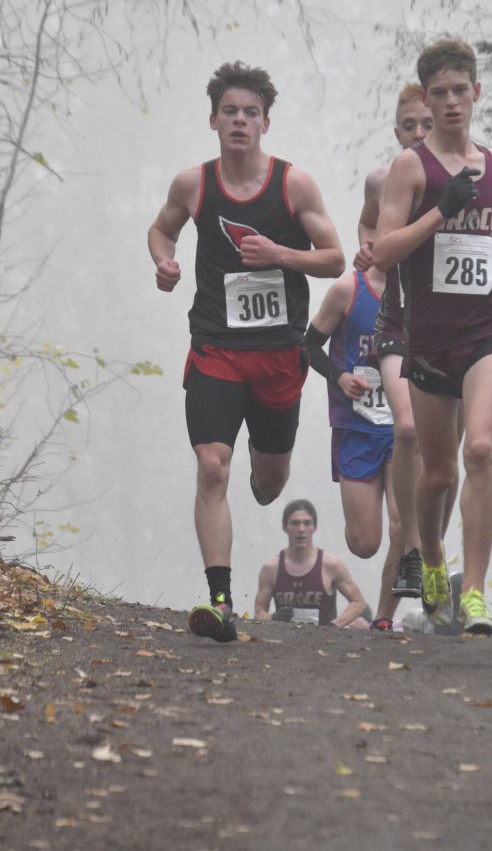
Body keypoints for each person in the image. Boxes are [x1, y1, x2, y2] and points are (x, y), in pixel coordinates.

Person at [148, 61, 344, 642]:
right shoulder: (194, 183)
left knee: (267, 483)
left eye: (250, 112)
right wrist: (163, 260)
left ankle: (267, 471)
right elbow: (162, 229)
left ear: (265, 122)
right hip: (216, 347)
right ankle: (219, 600)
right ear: (213, 119)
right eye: (230, 111)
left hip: (280, 353)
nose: (239, 120)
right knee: (212, 467)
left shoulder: (293, 184)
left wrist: (281, 254)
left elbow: (334, 259)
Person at [372, 39, 492, 634]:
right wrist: (440, 210)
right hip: (429, 336)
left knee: (481, 448)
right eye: (439, 93)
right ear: (426, 97)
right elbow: (384, 249)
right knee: (439, 472)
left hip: (490, 324)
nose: (451, 102)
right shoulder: (410, 167)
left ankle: (474, 593)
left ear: (478, 93)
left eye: (460, 90)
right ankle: (435, 561)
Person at [354, 84, 461, 604]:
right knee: (410, 428)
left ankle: (436, 548)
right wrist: (364, 254)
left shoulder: (470, 174)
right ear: (395, 131)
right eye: (408, 126)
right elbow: (368, 230)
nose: (418, 133)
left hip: (459, 329)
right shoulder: (386, 179)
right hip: (399, 321)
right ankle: (413, 550)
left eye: (425, 123)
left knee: (449, 458)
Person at [305, 265, 399, 631]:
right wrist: (340, 376)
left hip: (402, 426)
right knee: (365, 543)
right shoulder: (348, 290)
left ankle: (385, 617)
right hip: (357, 427)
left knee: (403, 524)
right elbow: (309, 345)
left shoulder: (417, 287)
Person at [254, 499, 367, 627]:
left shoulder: (331, 565)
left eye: (307, 523)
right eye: (295, 523)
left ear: (314, 527)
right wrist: (272, 617)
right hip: (285, 641)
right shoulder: (271, 568)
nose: (301, 529)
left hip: (325, 642)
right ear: (285, 527)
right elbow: (259, 612)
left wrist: (334, 625)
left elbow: (358, 602)